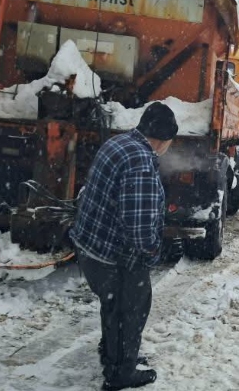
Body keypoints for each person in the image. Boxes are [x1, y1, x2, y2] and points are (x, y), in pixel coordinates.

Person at [69, 102, 178, 391]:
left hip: (91, 245)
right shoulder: (141, 162)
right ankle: (120, 372)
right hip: (112, 255)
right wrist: (152, 251)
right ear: (163, 138)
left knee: (113, 303)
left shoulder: (119, 142)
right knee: (132, 307)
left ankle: (113, 354)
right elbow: (139, 225)